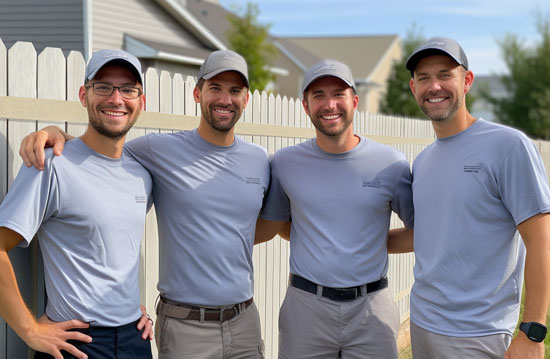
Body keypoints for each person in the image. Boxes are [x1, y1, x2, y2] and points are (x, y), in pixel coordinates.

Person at [19, 49, 269, 359]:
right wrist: (54, 134)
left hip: (238, 322)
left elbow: (266, 226)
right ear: (197, 93)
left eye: (235, 90)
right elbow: (98, 150)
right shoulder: (155, 150)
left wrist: (124, 309)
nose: (225, 99)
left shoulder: (259, 160)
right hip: (179, 326)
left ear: (246, 99)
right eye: (215, 88)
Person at [0, 49, 154, 359]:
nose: (116, 98)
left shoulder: (142, 173)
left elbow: (114, 245)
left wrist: (127, 306)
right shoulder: (51, 165)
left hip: (135, 339)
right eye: (103, 87)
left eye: (128, 89)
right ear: (84, 95)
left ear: (141, 101)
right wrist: (29, 330)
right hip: (76, 344)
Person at [255, 59, 414, 359]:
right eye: (318, 96)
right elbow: (278, 225)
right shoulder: (285, 163)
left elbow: (418, 233)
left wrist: (367, 244)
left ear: (354, 101)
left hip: (372, 307)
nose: (329, 104)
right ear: (305, 106)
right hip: (306, 307)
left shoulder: (391, 164)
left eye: (338, 94)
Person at [403, 36, 550, 359]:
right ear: (414, 89)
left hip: (478, 333)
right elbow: (427, 234)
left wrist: (533, 332)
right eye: (424, 78)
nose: (434, 86)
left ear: (466, 81)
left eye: (444, 75)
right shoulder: (424, 160)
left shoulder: (508, 146)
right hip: (423, 324)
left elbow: (541, 240)